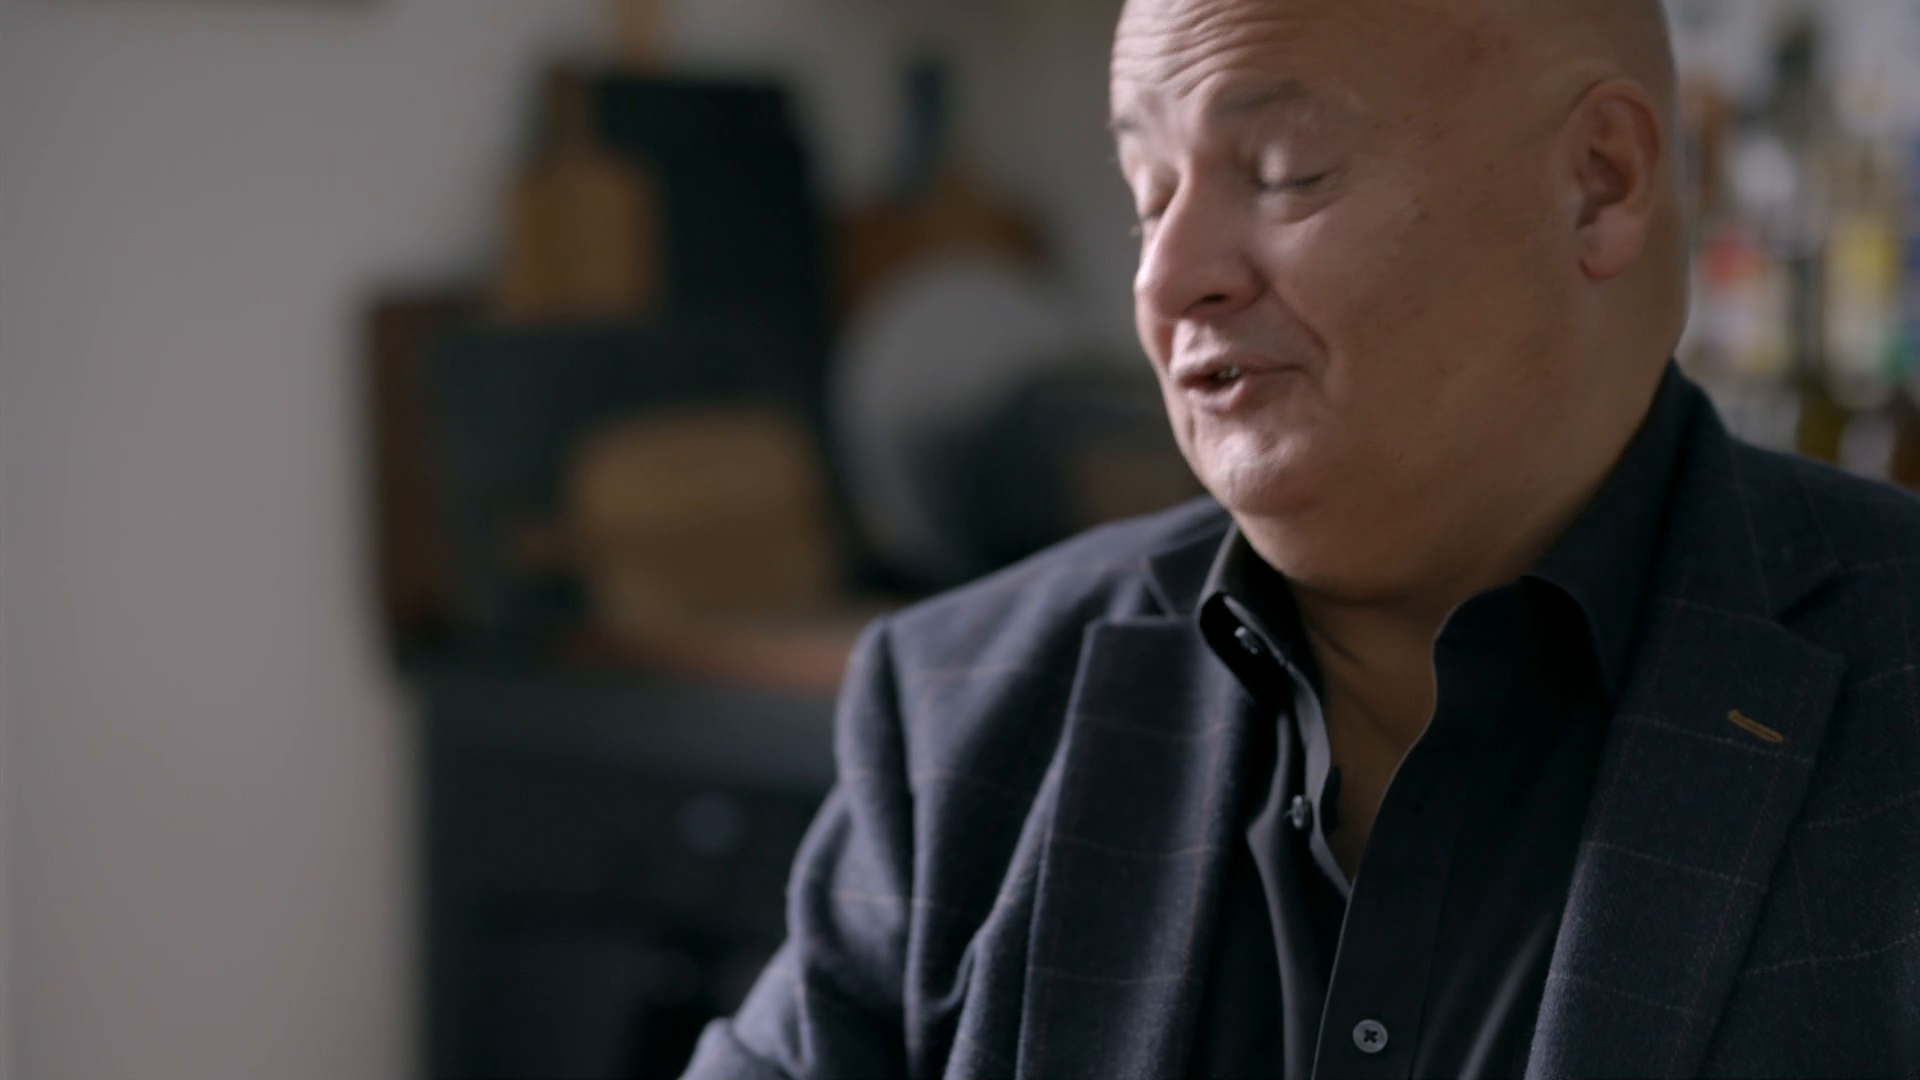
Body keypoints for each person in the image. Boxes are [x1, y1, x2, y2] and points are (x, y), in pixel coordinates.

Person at [683, 0, 1920, 1075]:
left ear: (1598, 182)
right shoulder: (961, 716)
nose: (1168, 280)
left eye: (1284, 172)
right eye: (1148, 199)